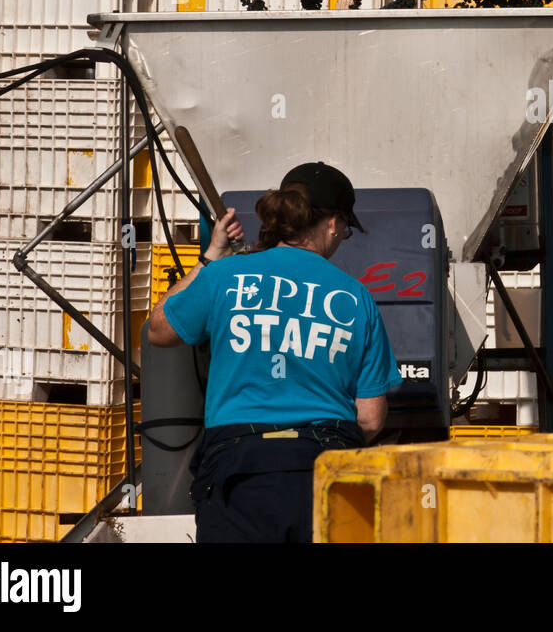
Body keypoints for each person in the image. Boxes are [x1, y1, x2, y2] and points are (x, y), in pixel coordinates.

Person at [147, 161, 401, 542]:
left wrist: (211, 256)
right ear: (332, 223)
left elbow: (158, 330)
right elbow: (369, 418)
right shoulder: (356, 297)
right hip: (326, 468)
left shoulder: (226, 275)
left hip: (238, 469)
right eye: (345, 229)